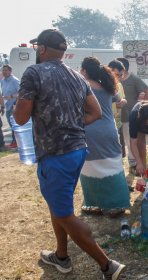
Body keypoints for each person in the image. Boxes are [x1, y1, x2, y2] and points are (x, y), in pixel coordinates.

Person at [13, 29, 125, 280]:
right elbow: (95, 113)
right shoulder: (77, 76)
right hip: (77, 152)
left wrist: (20, 107)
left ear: (41, 49)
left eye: (35, 48)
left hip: (55, 155)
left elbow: (20, 117)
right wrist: (71, 125)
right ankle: (61, 257)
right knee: (58, 204)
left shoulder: (34, 73)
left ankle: (107, 265)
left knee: (64, 213)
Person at [79, 57, 130, 217]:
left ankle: (95, 205)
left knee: (89, 168)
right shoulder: (108, 85)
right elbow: (120, 100)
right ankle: (117, 206)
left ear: (85, 71)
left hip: (87, 130)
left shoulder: (81, 86)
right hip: (108, 130)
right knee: (113, 166)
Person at [117, 57, 148, 175]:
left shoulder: (134, 79)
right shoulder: (116, 80)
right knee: (120, 144)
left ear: (123, 68)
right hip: (116, 117)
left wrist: (142, 108)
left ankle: (134, 165)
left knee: (130, 142)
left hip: (129, 117)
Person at [108, 59, 127, 158]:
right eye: (117, 75)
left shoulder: (119, 85)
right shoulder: (102, 85)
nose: (119, 78)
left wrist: (123, 101)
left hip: (118, 123)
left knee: (120, 153)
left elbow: (122, 98)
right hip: (107, 123)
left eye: (121, 75)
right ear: (109, 71)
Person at [0, 64, 20, 148]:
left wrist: (11, 96)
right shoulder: (3, 81)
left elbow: (21, 93)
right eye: (3, 70)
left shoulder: (15, 80)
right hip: (6, 105)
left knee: (14, 125)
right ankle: (14, 141)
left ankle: (15, 142)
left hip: (13, 105)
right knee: (10, 124)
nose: (4, 72)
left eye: (6, 70)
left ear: (10, 71)